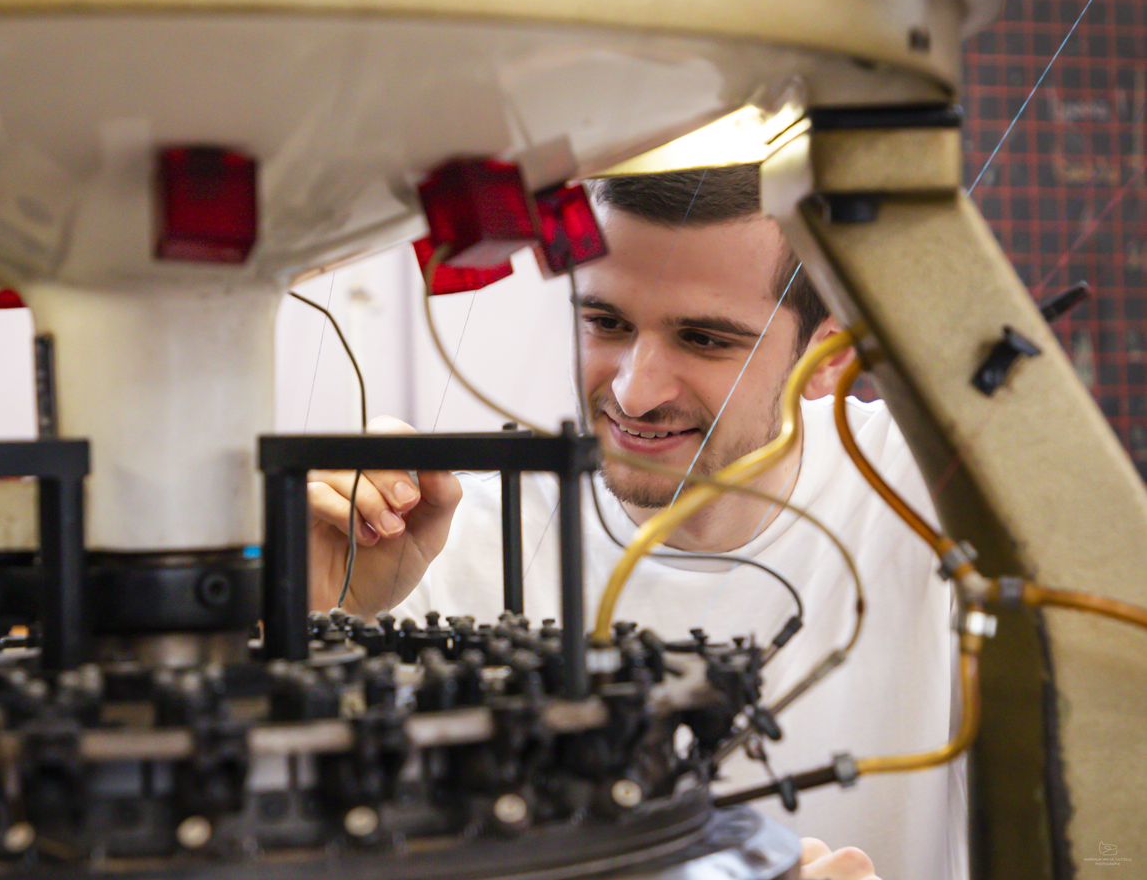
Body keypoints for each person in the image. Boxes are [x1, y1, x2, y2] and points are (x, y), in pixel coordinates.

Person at [305, 165, 965, 880]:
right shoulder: (443, 546)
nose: (633, 391)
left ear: (824, 359)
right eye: (606, 323)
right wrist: (317, 615)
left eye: (706, 340)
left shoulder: (941, 500)